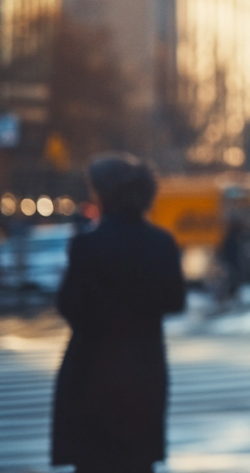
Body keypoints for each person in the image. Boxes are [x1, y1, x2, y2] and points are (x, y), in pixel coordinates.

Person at [51, 152, 186, 473]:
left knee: (94, 459)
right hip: (144, 367)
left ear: (105, 194)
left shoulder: (88, 244)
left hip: (93, 369)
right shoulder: (162, 243)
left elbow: (69, 305)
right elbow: (175, 302)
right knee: (137, 460)